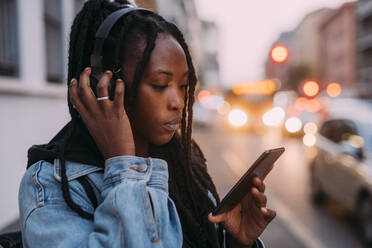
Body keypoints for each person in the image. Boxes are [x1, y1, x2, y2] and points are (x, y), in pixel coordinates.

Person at [18, 0, 276, 247]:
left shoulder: (185, 162)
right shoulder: (52, 185)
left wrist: (235, 242)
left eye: (184, 86)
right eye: (160, 85)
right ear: (104, 85)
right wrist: (123, 166)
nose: (179, 102)